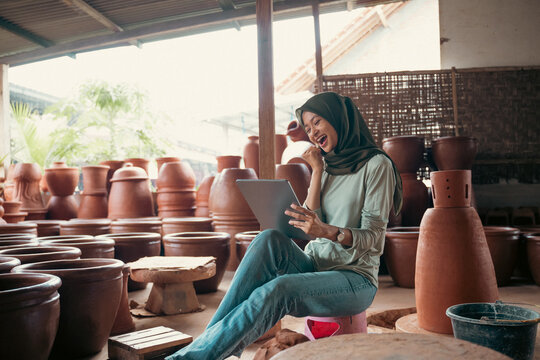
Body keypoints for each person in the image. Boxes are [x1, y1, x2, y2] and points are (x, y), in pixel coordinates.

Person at [166, 91, 402, 360]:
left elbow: (374, 237)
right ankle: (208, 345)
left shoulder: (376, 165)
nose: (312, 133)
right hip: (315, 264)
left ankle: (193, 357)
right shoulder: (329, 165)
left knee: (279, 289)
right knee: (269, 238)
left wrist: (326, 231)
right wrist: (317, 171)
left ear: (338, 118)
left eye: (317, 122)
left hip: (355, 278)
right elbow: (309, 220)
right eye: (308, 128)